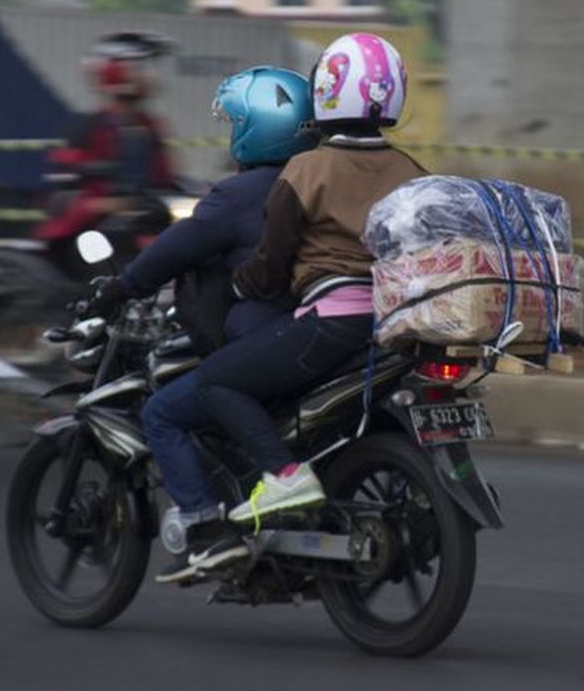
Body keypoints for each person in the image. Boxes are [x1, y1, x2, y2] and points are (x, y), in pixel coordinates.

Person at [153, 32, 425, 584]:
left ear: (326, 92)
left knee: (212, 384)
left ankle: (282, 474)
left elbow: (270, 267)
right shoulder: (412, 172)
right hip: (395, 322)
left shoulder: (305, 170)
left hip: (331, 323)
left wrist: (241, 286)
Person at [87, 66, 318, 573]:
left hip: (268, 340)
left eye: (236, 122)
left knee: (163, 411)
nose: (231, 133)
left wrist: (119, 288)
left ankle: (206, 528)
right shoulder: (318, 178)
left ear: (259, 127)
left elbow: (171, 250)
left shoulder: (239, 195)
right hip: (323, 336)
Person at [36, 31, 177, 270]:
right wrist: (109, 200)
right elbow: (64, 181)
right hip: (93, 228)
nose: (150, 75)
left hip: (145, 218)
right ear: (115, 71)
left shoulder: (150, 126)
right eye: (140, 66)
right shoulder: (88, 126)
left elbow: (166, 177)